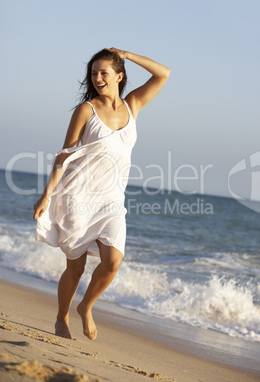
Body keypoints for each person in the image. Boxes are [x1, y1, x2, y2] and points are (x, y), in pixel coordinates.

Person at [33, 47, 170, 340]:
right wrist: (46, 195)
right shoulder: (87, 110)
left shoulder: (133, 105)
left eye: (103, 73)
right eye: (93, 73)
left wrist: (128, 55)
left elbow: (164, 74)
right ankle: (61, 317)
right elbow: (64, 155)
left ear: (119, 76)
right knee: (76, 267)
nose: (97, 78)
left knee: (112, 261)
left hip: (112, 200)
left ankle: (86, 307)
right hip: (78, 197)